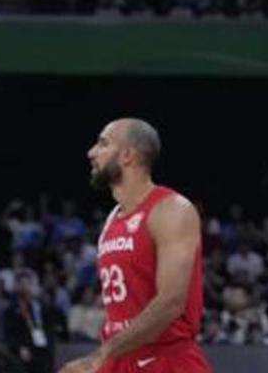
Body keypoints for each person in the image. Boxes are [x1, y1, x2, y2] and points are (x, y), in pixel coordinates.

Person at [59, 119, 210, 373]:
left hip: (165, 360)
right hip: (120, 357)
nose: (91, 152)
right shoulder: (111, 220)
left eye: (103, 143)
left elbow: (171, 302)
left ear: (127, 155)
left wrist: (101, 354)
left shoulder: (171, 209)